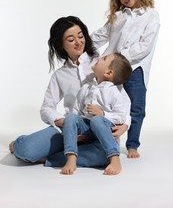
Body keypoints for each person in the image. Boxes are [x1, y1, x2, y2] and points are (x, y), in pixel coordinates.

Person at [9, 16, 127, 168]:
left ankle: (51, 158)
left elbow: (123, 98)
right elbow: (46, 108)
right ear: (61, 44)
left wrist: (125, 125)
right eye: (71, 39)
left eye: (81, 36)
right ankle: (37, 145)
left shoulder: (101, 63)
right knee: (24, 150)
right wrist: (65, 124)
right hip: (70, 128)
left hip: (101, 130)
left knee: (105, 155)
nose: (78, 42)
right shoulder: (60, 75)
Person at [90, 0, 160, 158]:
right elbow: (101, 35)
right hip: (111, 68)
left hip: (136, 69)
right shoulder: (119, 16)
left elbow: (145, 46)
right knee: (107, 102)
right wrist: (85, 46)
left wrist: (119, 55)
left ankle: (132, 145)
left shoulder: (151, 16)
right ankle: (106, 139)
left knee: (137, 108)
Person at [61, 52, 132, 175]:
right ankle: (71, 157)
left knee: (97, 120)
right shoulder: (86, 88)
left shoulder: (114, 92)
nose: (99, 58)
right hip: (85, 130)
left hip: (103, 133)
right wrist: (74, 131)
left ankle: (114, 158)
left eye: (104, 59)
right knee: (71, 117)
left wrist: (103, 114)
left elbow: (121, 116)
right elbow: (75, 111)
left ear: (108, 73)